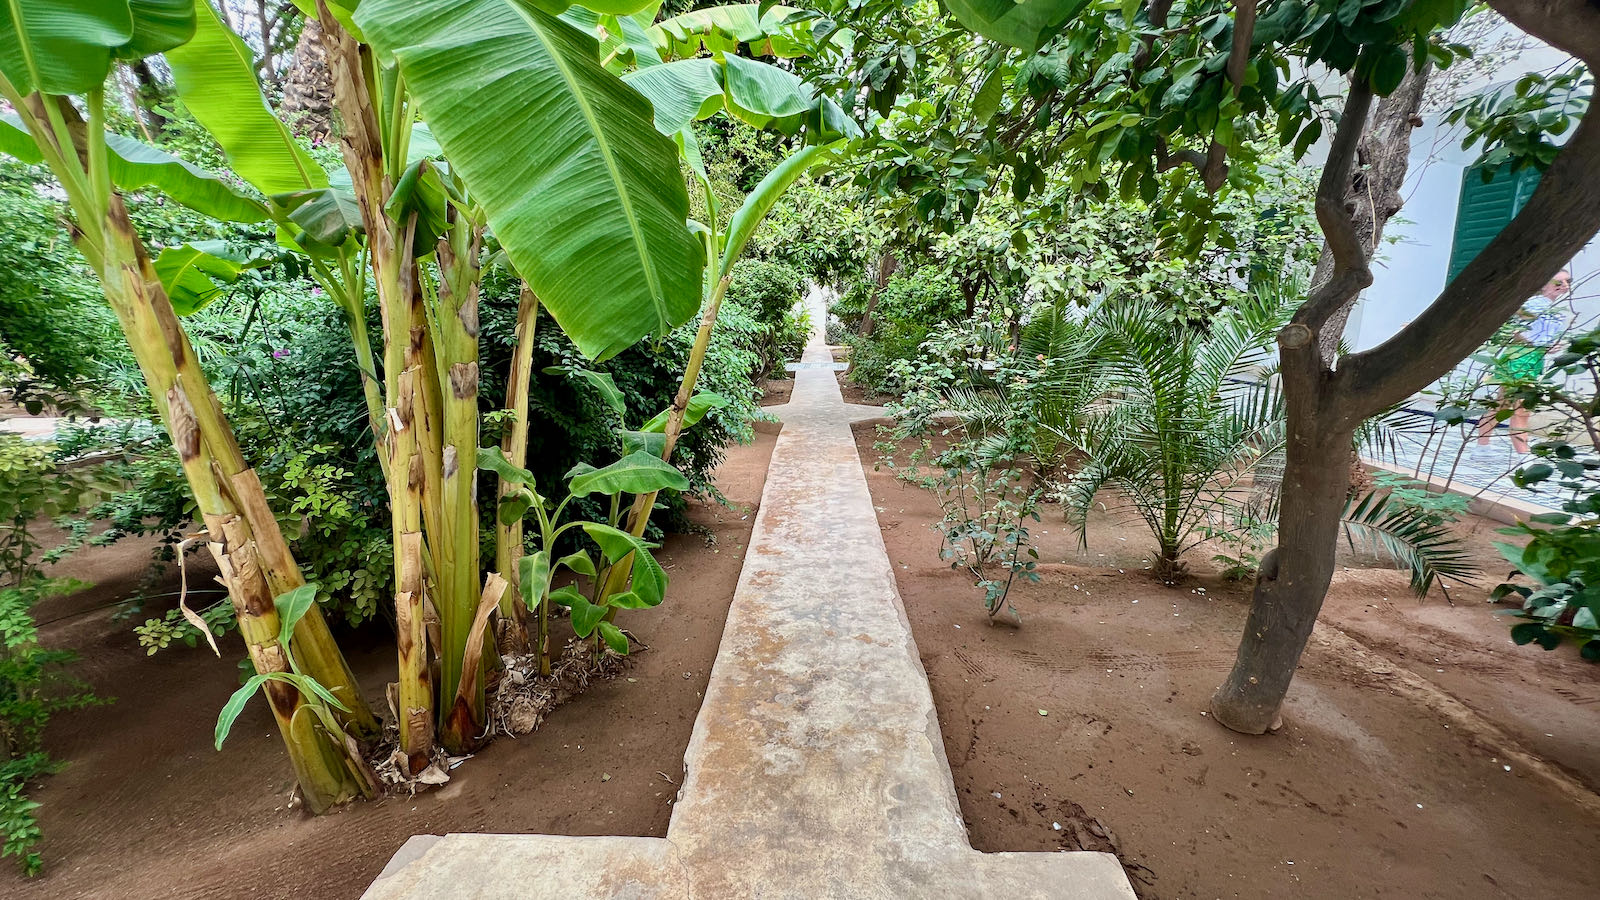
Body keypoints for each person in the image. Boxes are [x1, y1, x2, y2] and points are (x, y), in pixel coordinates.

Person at [1475, 269, 1573, 455]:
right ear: (1544, 285)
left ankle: (1482, 446)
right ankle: (1523, 456)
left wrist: (1548, 345)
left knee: (1502, 405)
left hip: (1530, 359)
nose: (1565, 286)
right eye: (1558, 283)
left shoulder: (1554, 309)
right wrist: (1536, 343)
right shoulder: (1535, 304)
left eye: (1568, 282)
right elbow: (1512, 327)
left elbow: (1536, 334)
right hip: (1521, 359)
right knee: (1522, 409)